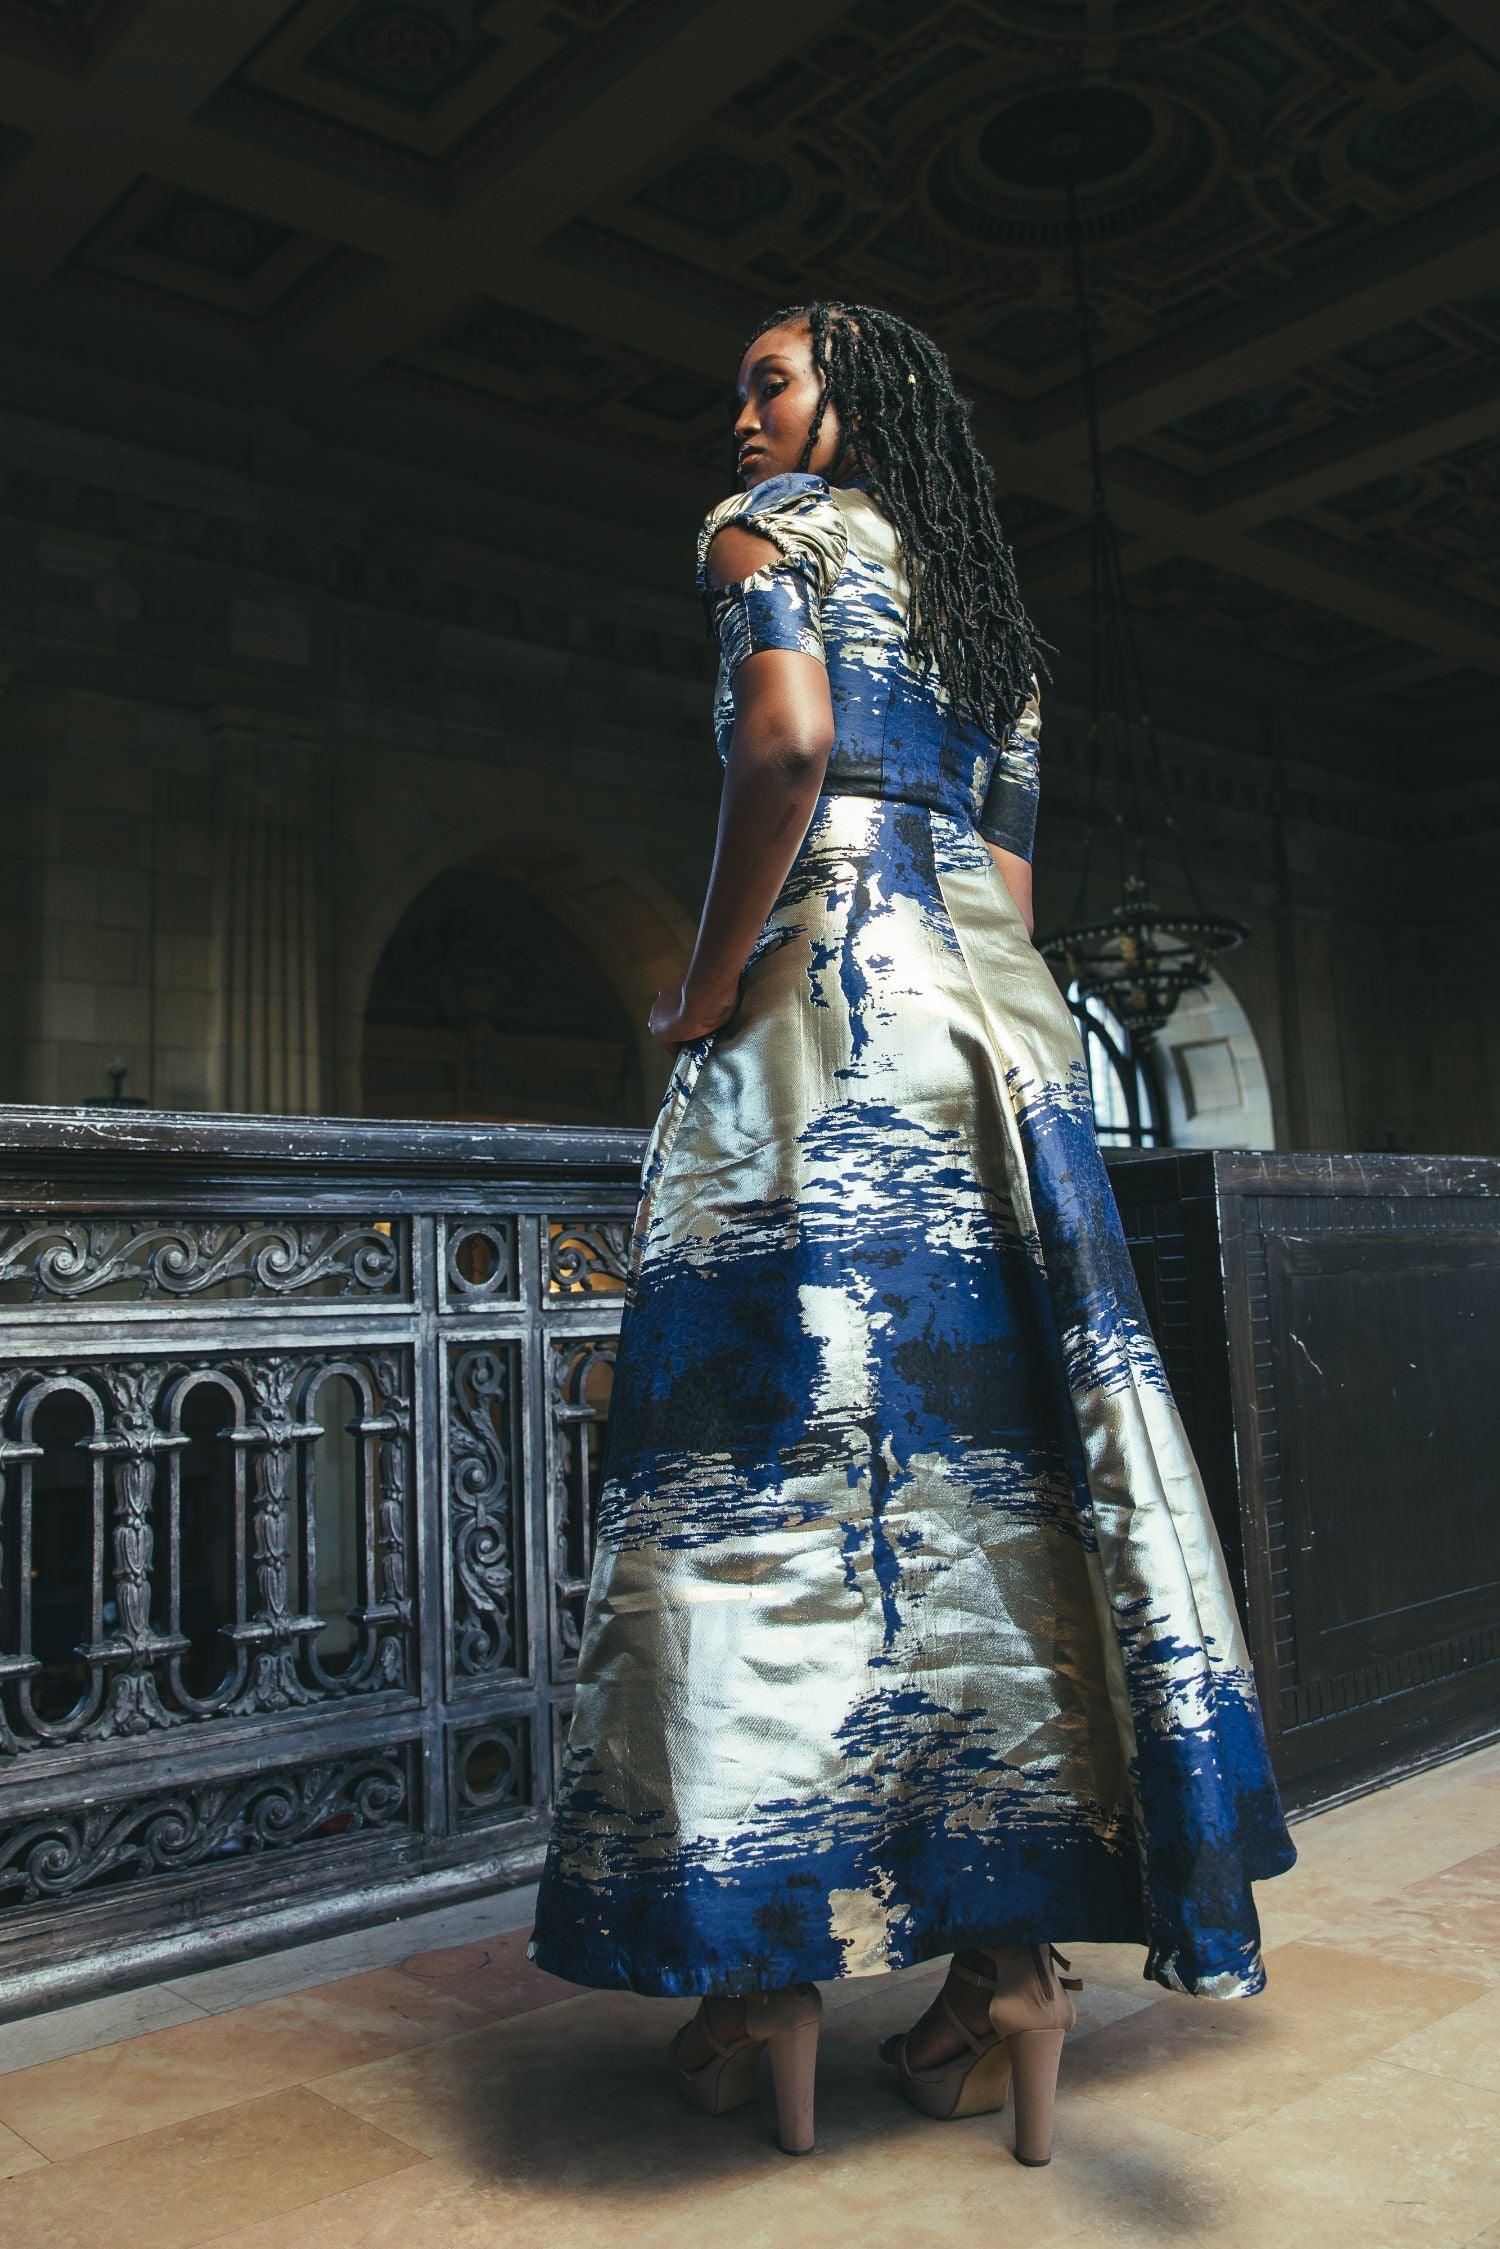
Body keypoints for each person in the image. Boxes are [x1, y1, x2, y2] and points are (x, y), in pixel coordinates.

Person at [527, 298, 1295, 2165]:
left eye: (771, 383)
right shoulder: (990, 627)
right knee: (994, 1469)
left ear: (849, 407)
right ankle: (1007, 1976)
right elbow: (1009, 885)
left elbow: (787, 746)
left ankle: (762, 1975)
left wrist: (704, 983)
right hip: (992, 1036)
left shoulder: (760, 537)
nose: (741, 417)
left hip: (827, 1002)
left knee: (763, 1459)